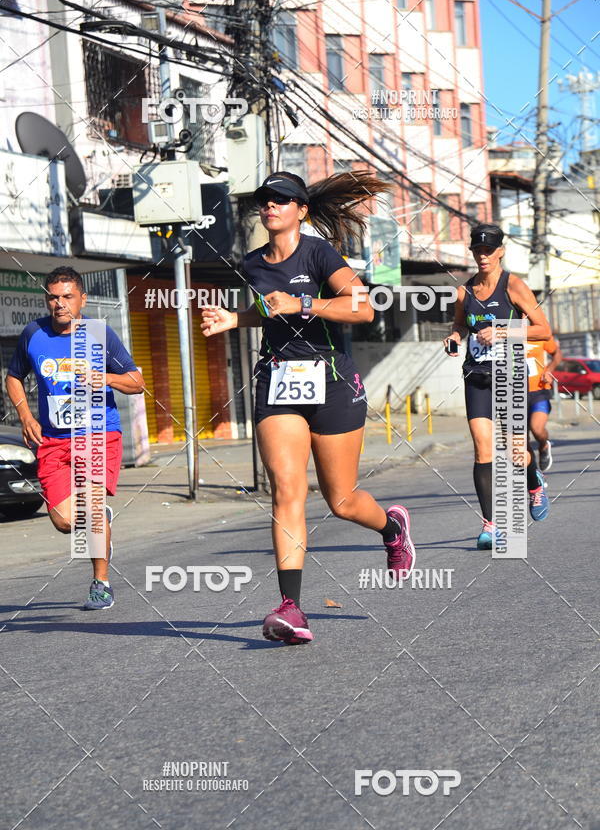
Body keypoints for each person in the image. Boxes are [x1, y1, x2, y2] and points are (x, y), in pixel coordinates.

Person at [201, 170, 416, 644]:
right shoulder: (252, 262)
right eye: (265, 199)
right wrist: (233, 318)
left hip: (333, 382)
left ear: (300, 209)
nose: (270, 206)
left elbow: (362, 308)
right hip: (278, 382)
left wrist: (303, 303)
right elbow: (266, 309)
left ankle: (391, 528)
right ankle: (291, 607)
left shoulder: (319, 253)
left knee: (341, 500)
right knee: (286, 491)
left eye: (281, 199)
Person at [5, 266, 145, 609]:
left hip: (98, 433)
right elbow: (13, 376)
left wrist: (104, 378)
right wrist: (25, 415)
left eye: (67, 296)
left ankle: (101, 582)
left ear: (82, 299)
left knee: (92, 508)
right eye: (53, 297)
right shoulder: (33, 333)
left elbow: (137, 382)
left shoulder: (99, 334)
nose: (60, 303)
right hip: (53, 440)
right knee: (65, 521)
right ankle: (98, 519)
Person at [443, 223, 552, 550]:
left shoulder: (513, 286)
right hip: (476, 374)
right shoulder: (464, 291)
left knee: (516, 452)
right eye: (478, 250)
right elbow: (460, 323)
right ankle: (491, 525)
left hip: (509, 374)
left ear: (500, 251)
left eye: (488, 250)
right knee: (482, 447)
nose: (483, 256)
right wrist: (454, 337)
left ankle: (533, 484)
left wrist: (503, 332)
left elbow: (543, 330)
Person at [526, 335, 562, 472]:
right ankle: (533, 474)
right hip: (514, 393)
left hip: (539, 390)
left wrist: (549, 370)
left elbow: (557, 353)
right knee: (521, 441)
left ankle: (543, 445)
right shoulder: (504, 333)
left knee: (537, 428)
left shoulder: (538, 333)